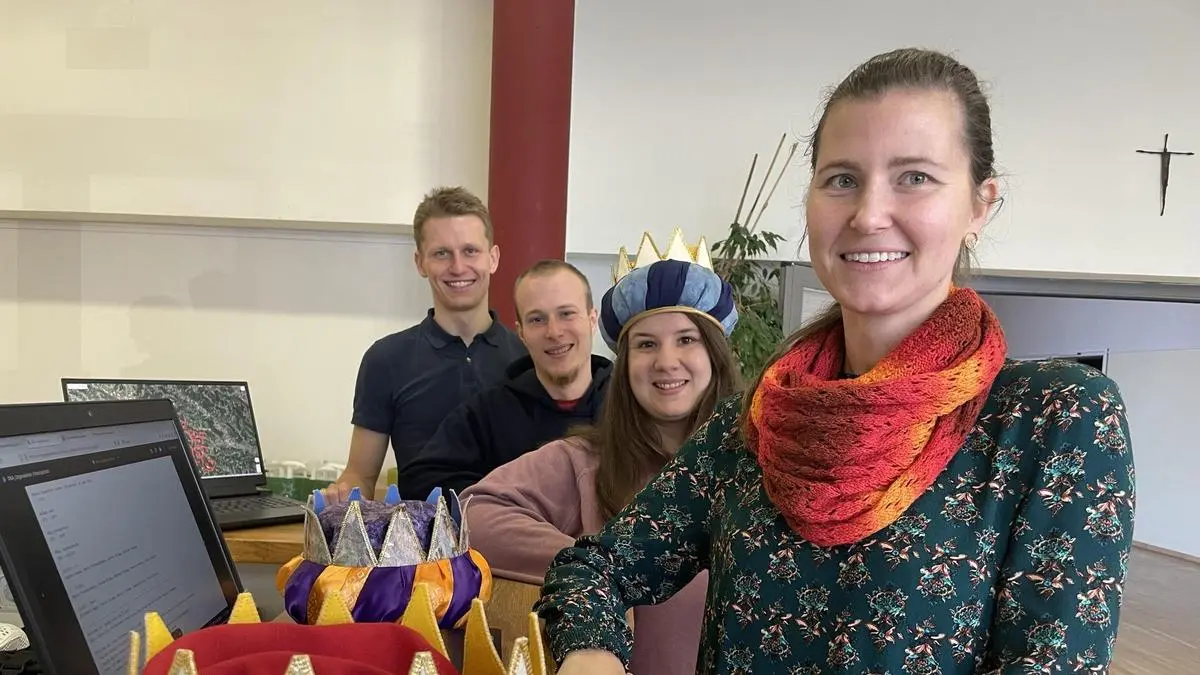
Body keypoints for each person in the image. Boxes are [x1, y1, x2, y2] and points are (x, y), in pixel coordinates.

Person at [537, 48, 1137, 675]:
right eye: (843, 179)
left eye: (915, 177)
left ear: (979, 205)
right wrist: (590, 651)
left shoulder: (1051, 418)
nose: (869, 214)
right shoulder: (757, 423)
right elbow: (594, 568)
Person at [460, 241, 742, 675]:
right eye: (646, 344)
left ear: (715, 354)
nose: (666, 361)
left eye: (686, 339)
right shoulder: (584, 460)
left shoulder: (760, 464)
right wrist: (593, 569)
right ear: (625, 364)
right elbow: (474, 512)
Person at [325, 186, 526, 501]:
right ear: (420, 263)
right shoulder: (385, 360)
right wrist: (340, 496)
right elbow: (360, 475)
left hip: (512, 531)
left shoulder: (529, 360)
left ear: (493, 258)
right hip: (418, 533)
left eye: (470, 251)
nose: (458, 267)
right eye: (441, 253)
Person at [397, 260, 613, 498]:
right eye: (537, 319)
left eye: (567, 314)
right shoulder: (488, 412)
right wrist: (505, 498)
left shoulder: (629, 405)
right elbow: (419, 481)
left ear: (592, 319)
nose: (554, 332)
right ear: (522, 333)